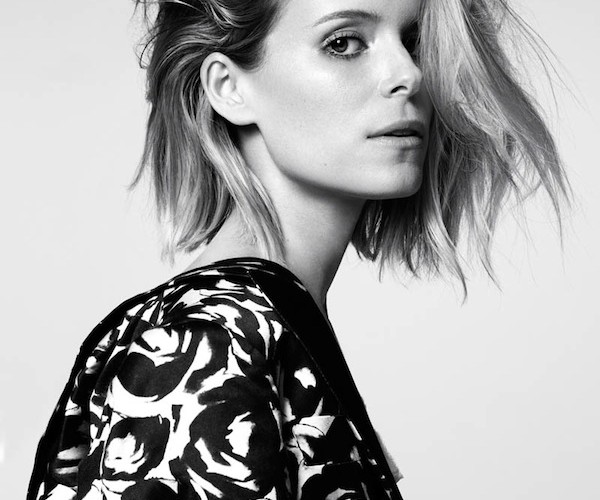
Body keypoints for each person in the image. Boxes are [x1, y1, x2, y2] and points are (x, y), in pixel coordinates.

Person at [27, 0, 570, 498]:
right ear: (229, 88)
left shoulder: (268, 325)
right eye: (343, 43)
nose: (409, 74)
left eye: (414, 42)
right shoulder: (208, 346)